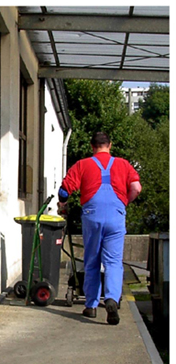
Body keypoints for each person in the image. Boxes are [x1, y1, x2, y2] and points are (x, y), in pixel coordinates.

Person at [58, 132, 142, 325]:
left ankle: (91, 306)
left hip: (92, 215)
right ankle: (112, 298)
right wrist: (123, 204)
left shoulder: (82, 164)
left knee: (92, 261)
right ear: (109, 145)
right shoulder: (123, 164)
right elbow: (136, 188)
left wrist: (63, 205)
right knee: (113, 262)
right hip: (116, 215)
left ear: (92, 146)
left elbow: (64, 191)